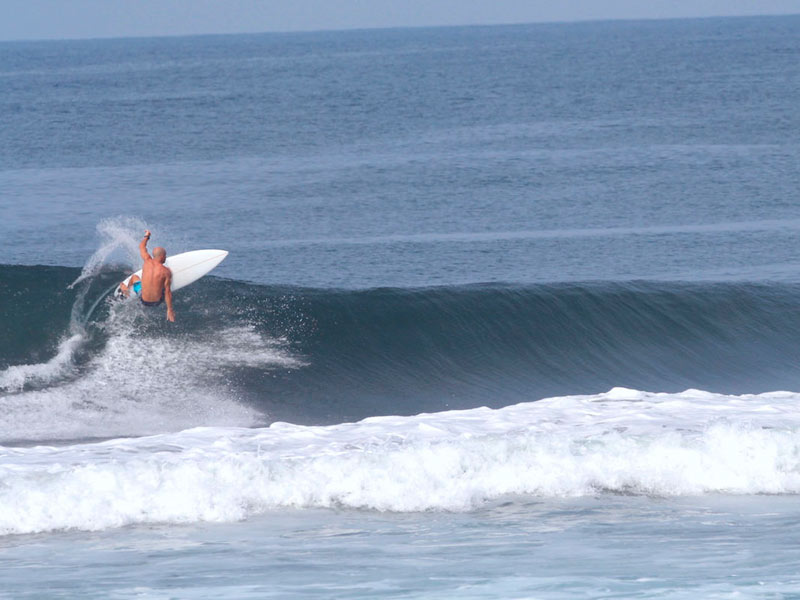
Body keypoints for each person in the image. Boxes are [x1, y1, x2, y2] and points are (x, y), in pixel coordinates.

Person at [119, 230, 175, 322]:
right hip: (157, 302)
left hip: (143, 301)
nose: (166, 257)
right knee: (165, 286)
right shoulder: (166, 271)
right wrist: (169, 309)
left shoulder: (147, 261)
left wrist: (147, 236)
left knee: (134, 277)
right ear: (161, 256)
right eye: (165, 255)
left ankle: (127, 291)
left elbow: (141, 247)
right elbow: (168, 292)